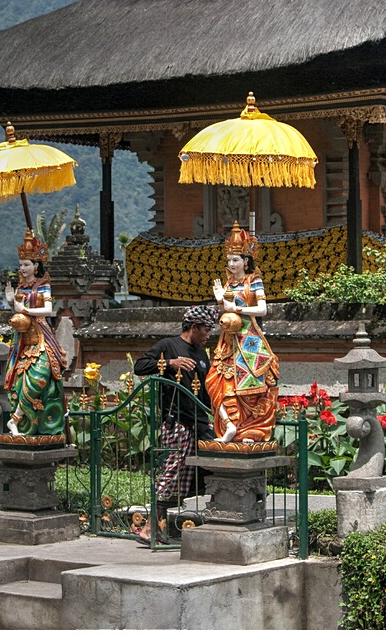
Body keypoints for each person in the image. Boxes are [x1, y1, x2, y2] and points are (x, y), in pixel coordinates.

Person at [133, 304, 219, 544]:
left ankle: (215, 523)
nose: (209, 335)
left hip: (200, 422)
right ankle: (150, 528)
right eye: (206, 330)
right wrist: (170, 363)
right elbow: (139, 366)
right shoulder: (168, 346)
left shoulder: (202, 354)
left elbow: (207, 390)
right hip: (177, 421)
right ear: (194, 327)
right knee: (172, 473)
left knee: (203, 471)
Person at [207, 220, 279, 444]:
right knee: (215, 381)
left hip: (249, 339)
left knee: (253, 386)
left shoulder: (253, 280)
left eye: (235, 260)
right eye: (229, 260)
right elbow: (224, 309)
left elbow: (263, 309)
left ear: (245, 261)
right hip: (228, 339)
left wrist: (236, 308)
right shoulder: (228, 283)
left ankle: (249, 430)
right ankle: (229, 425)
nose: (231, 264)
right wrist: (220, 299)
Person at [3, 228, 67, 440]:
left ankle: (17, 418)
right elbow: (17, 312)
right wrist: (12, 300)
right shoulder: (21, 287)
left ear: (36, 266)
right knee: (19, 380)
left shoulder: (43, 286)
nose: (22, 268)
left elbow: (48, 311)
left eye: (26, 265)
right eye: (21, 265)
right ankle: (18, 420)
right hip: (24, 339)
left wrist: (25, 310)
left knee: (39, 377)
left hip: (41, 338)